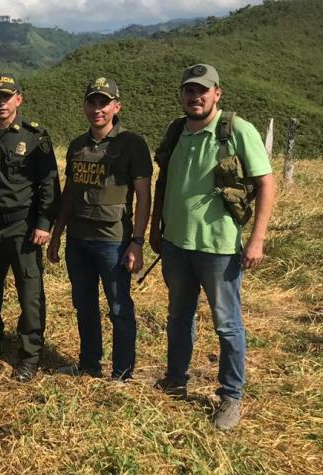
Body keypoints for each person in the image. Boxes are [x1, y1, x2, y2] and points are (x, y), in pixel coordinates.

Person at [150, 64, 275, 430]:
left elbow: (267, 183)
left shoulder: (236, 130)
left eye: (203, 90)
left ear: (217, 93)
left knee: (227, 324)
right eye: (190, 90)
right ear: (182, 94)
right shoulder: (176, 130)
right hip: (176, 243)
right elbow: (163, 181)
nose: (196, 97)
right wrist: (157, 226)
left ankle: (231, 396)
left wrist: (257, 240)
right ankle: (176, 379)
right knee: (179, 316)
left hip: (219, 247)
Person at [46, 77, 152, 381]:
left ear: (116, 107)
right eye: (92, 102)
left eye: (104, 103)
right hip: (78, 240)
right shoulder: (77, 145)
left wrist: (137, 242)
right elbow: (69, 193)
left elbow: (144, 196)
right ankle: (89, 364)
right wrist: (57, 234)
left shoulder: (132, 144)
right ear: (84, 106)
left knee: (119, 307)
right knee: (84, 305)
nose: (97, 109)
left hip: (113, 241)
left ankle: (122, 373)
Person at [0, 73, 60, 382]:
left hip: (23, 227)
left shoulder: (34, 136)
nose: (1, 102)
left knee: (30, 294)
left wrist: (44, 223)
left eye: (7, 97)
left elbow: (49, 182)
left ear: (18, 99)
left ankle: (30, 355)